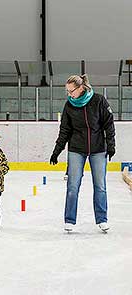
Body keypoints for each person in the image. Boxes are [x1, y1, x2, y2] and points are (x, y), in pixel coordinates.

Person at [50, 74, 115, 233]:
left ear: (81, 88)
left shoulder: (98, 101)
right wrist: (56, 151)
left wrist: (111, 146)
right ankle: (69, 220)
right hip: (76, 149)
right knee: (72, 185)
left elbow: (109, 125)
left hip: (98, 148)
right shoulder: (69, 106)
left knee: (100, 185)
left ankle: (102, 219)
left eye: (71, 91)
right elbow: (64, 130)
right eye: (67, 91)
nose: (69, 94)